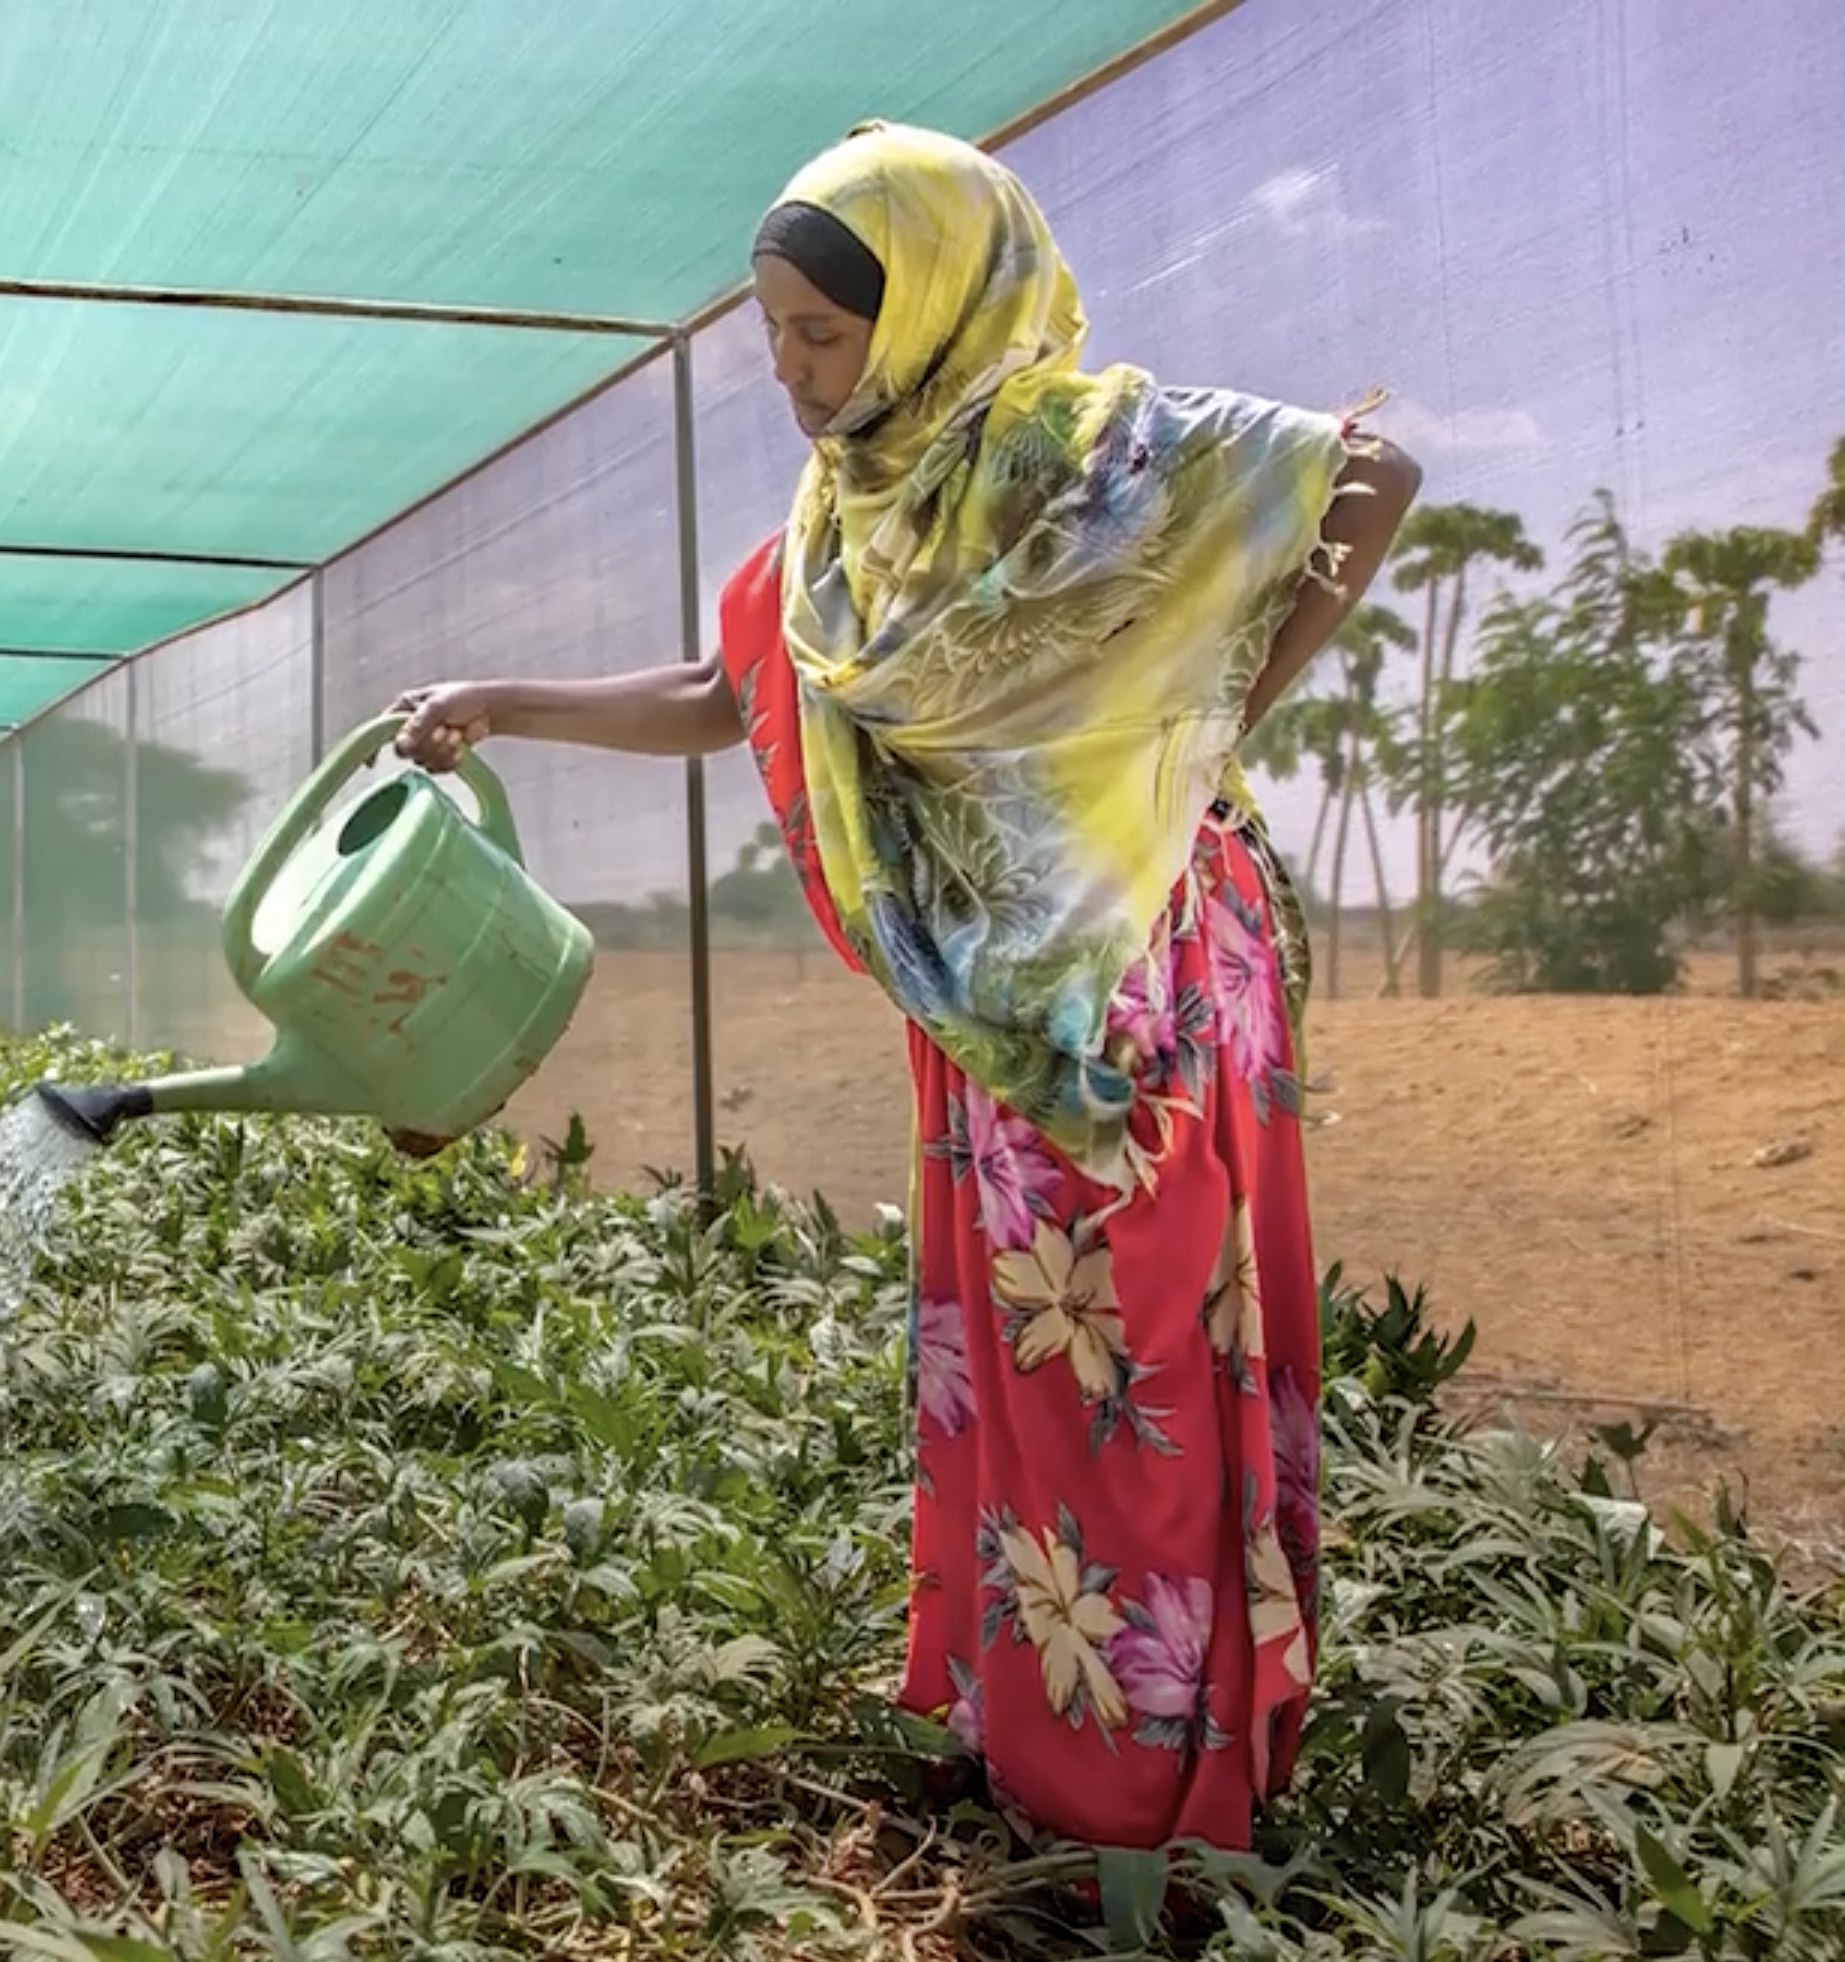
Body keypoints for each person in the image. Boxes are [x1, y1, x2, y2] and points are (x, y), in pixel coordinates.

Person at [385, 121, 1421, 1859]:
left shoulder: (1066, 451)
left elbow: (1367, 476)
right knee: (1026, 1359)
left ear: (933, 306)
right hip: (985, 995)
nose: (793, 373)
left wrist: (1200, 723)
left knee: (1146, 1360)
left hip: (1137, 971)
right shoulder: (843, 525)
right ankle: (1037, 1747)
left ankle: (1155, 1800)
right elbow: (729, 687)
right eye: (774, 336)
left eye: (823, 333)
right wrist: (505, 698)